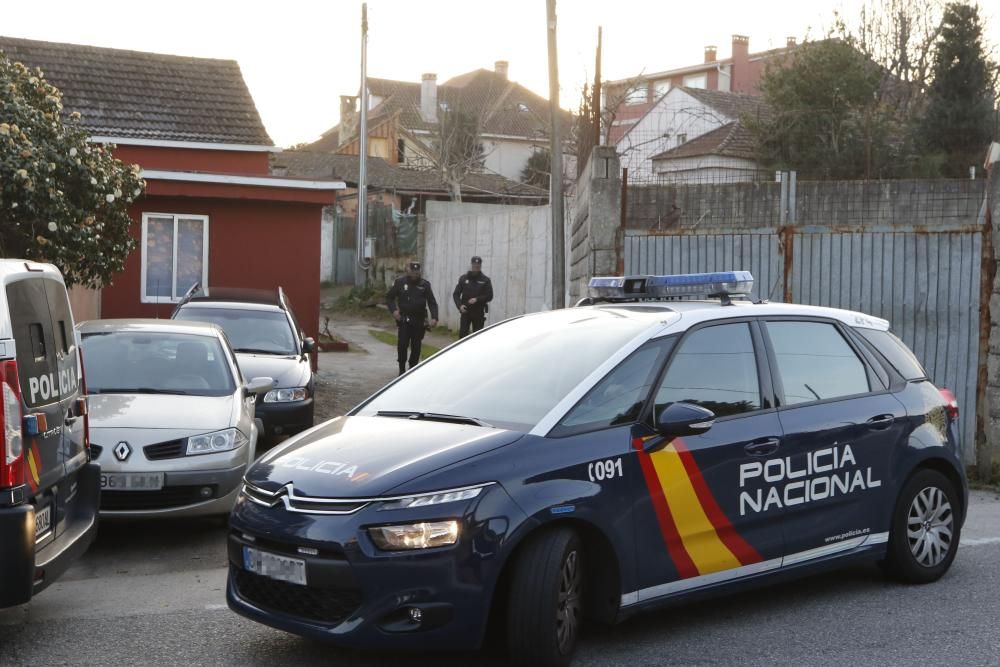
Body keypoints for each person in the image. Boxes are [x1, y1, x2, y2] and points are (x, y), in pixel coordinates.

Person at [386, 261, 438, 375]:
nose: (415, 274)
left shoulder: (425, 285)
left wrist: (434, 317)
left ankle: (412, 369)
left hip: (419, 321)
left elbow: (432, 302)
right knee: (402, 344)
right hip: (404, 319)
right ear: (408, 271)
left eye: (417, 272)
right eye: (413, 272)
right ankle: (401, 368)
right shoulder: (400, 282)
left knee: (416, 346)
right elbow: (389, 298)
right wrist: (394, 311)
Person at [452, 256, 494, 338]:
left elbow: (490, 296)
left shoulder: (485, 280)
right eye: (474, 265)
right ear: (471, 265)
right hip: (465, 312)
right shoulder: (464, 278)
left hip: (478, 313)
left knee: (477, 338)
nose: (476, 267)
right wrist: (459, 305)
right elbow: (456, 294)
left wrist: (477, 299)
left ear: (480, 266)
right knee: (463, 337)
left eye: (478, 266)